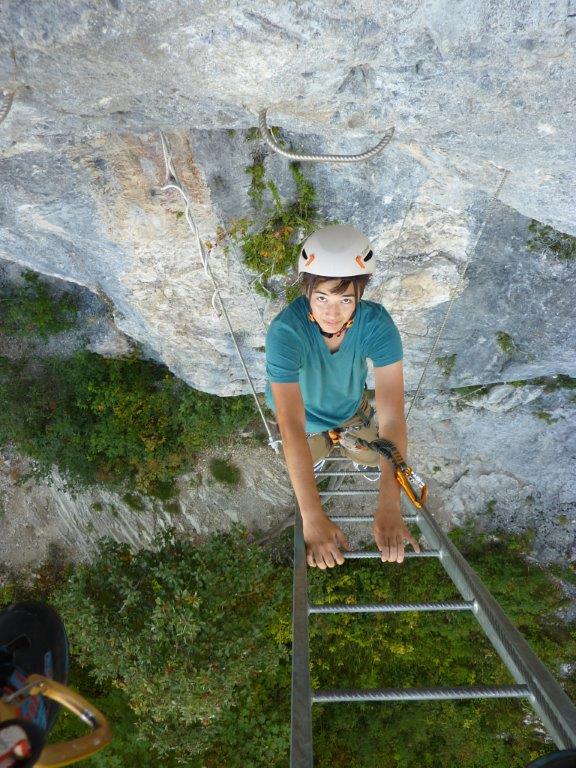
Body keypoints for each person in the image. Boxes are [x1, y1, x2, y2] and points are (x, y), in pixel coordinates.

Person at [265, 224, 420, 569]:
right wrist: (311, 516)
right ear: (307, 290)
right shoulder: (286, 333)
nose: (331, 313)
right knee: (309, 445)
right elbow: (290, 425)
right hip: (303, 416)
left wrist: (390, 501)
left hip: (349, 406)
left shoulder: (377, 325)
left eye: (345, 299)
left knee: (369, 456)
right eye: (321, 297)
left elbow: (393, 418)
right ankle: (320, 451)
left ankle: (343, 454)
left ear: (359, 296)